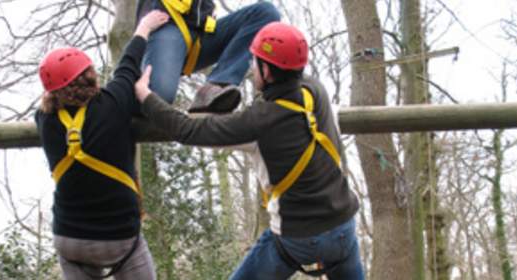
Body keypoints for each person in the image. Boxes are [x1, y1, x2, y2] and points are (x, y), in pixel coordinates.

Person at [134, 22, 365, 279]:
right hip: (343, 227)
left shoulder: (258, 122)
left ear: (266, 70)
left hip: (297, 239)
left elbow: (187, 130)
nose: (252, 68)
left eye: (254, 62)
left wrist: (147, 97)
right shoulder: (317, 91)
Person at [34, 10, 169, 280]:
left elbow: (51, 103)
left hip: (68, 238)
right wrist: (144, 27)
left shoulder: (44, 119)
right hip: (118, 237)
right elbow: (128, 64)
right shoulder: (114, 103)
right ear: (90, 75)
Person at [135, 0, 280, 113]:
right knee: (157, 101)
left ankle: (216, 87)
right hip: (166, 23)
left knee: (266, 13)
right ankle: (126, 104)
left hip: (203, 33)